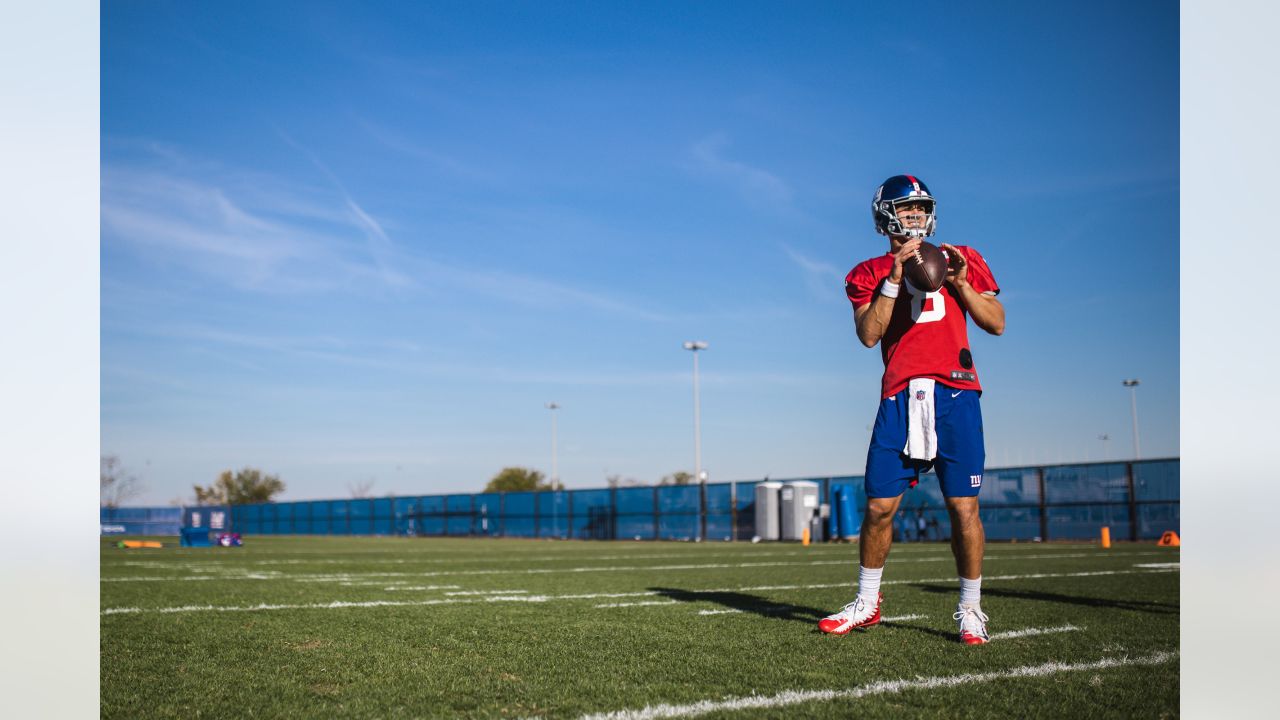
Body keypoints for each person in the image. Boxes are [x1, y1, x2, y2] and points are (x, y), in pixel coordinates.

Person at [818, 174, 1004, 645]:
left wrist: (961, 282)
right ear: (885, 217)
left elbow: (996, 323)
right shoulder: (867, 271)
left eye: (921, 209)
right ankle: (867, 602)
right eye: (907, 209)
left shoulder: (962, 257)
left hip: (957, 392)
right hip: (900, 394)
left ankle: (970, 608)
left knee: (964, 507)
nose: (916, 217)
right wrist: (894, 279)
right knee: (879, 507)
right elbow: (868, 335)